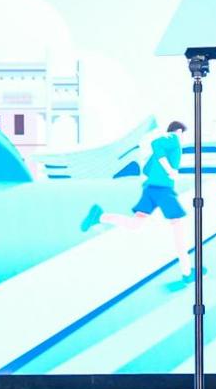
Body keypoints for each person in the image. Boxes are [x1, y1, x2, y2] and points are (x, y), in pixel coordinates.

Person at [82, 120, 197, 285]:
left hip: (151, 189)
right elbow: (155, 143)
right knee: (178, 228)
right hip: (163, 191)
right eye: (183, 134)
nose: (183, 138)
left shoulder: (164, 149)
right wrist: (170, 170)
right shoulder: (173, 139)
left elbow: (147, 169)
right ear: (179, 131)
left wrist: (161, 169)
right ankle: (187, 273)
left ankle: (100, 216)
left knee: (136, 224)